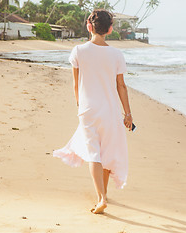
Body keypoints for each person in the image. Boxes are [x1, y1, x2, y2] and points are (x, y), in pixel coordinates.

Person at [53, 9, 133, 214]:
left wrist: (80, 105)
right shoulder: (117, 54)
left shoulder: (78, 51)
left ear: (89, 27)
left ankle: (101, 198)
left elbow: (75, 84)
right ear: (110, 29)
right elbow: (121, 86)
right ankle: (103, 194)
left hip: (88, 109)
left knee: (94, 154)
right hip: (111, 111)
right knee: (106, 153)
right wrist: (128, 114)